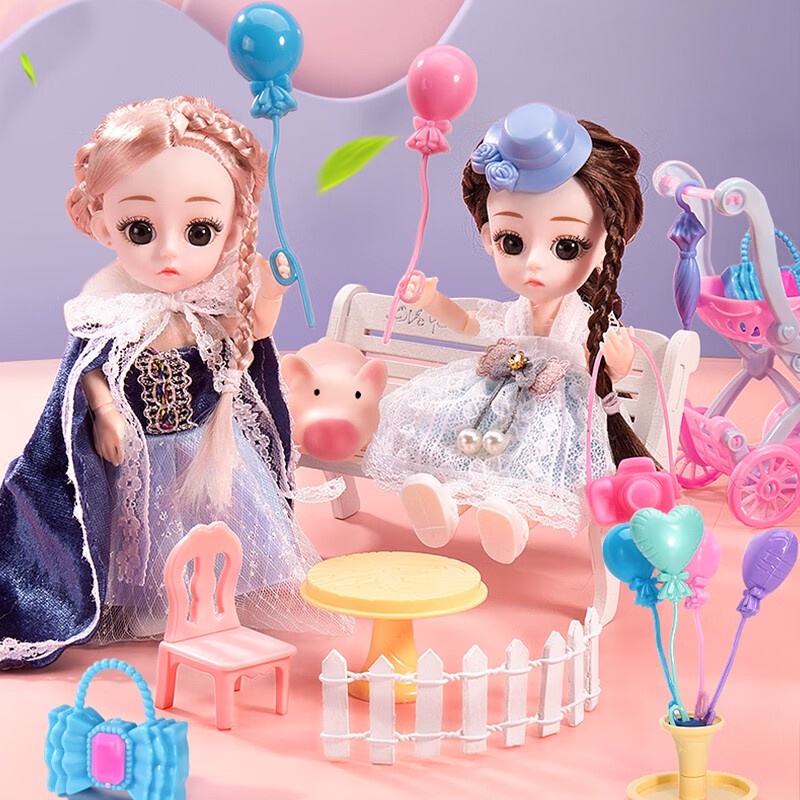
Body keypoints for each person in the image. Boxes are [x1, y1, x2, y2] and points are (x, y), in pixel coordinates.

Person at [0, 96, 345, 670]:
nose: (168, 252)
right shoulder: (111, 303)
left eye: (199, 230)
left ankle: (213, 593)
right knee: (141, 526)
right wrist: (105, 413)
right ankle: (148, 602)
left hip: (202, 438)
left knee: (213, 513)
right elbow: (87, 371)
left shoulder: (212, 301)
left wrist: (272, 291)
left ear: (232, 228)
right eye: (139, 229)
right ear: (101, 223)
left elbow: (252, 336)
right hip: (140, 447)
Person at [364, 102, 650, 564]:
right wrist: (432, 301)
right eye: (511, 242)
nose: (534, 263)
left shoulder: (582, 318)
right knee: (463, 444)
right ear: (488, 237)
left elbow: (601, 365)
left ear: (603, 248)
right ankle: (445, 507)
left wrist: (617, 362)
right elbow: (471, 324)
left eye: (566, 246)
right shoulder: (514, 313)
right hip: (494, 400)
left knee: (538, 465)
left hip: (555, 412)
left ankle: (514, 520)